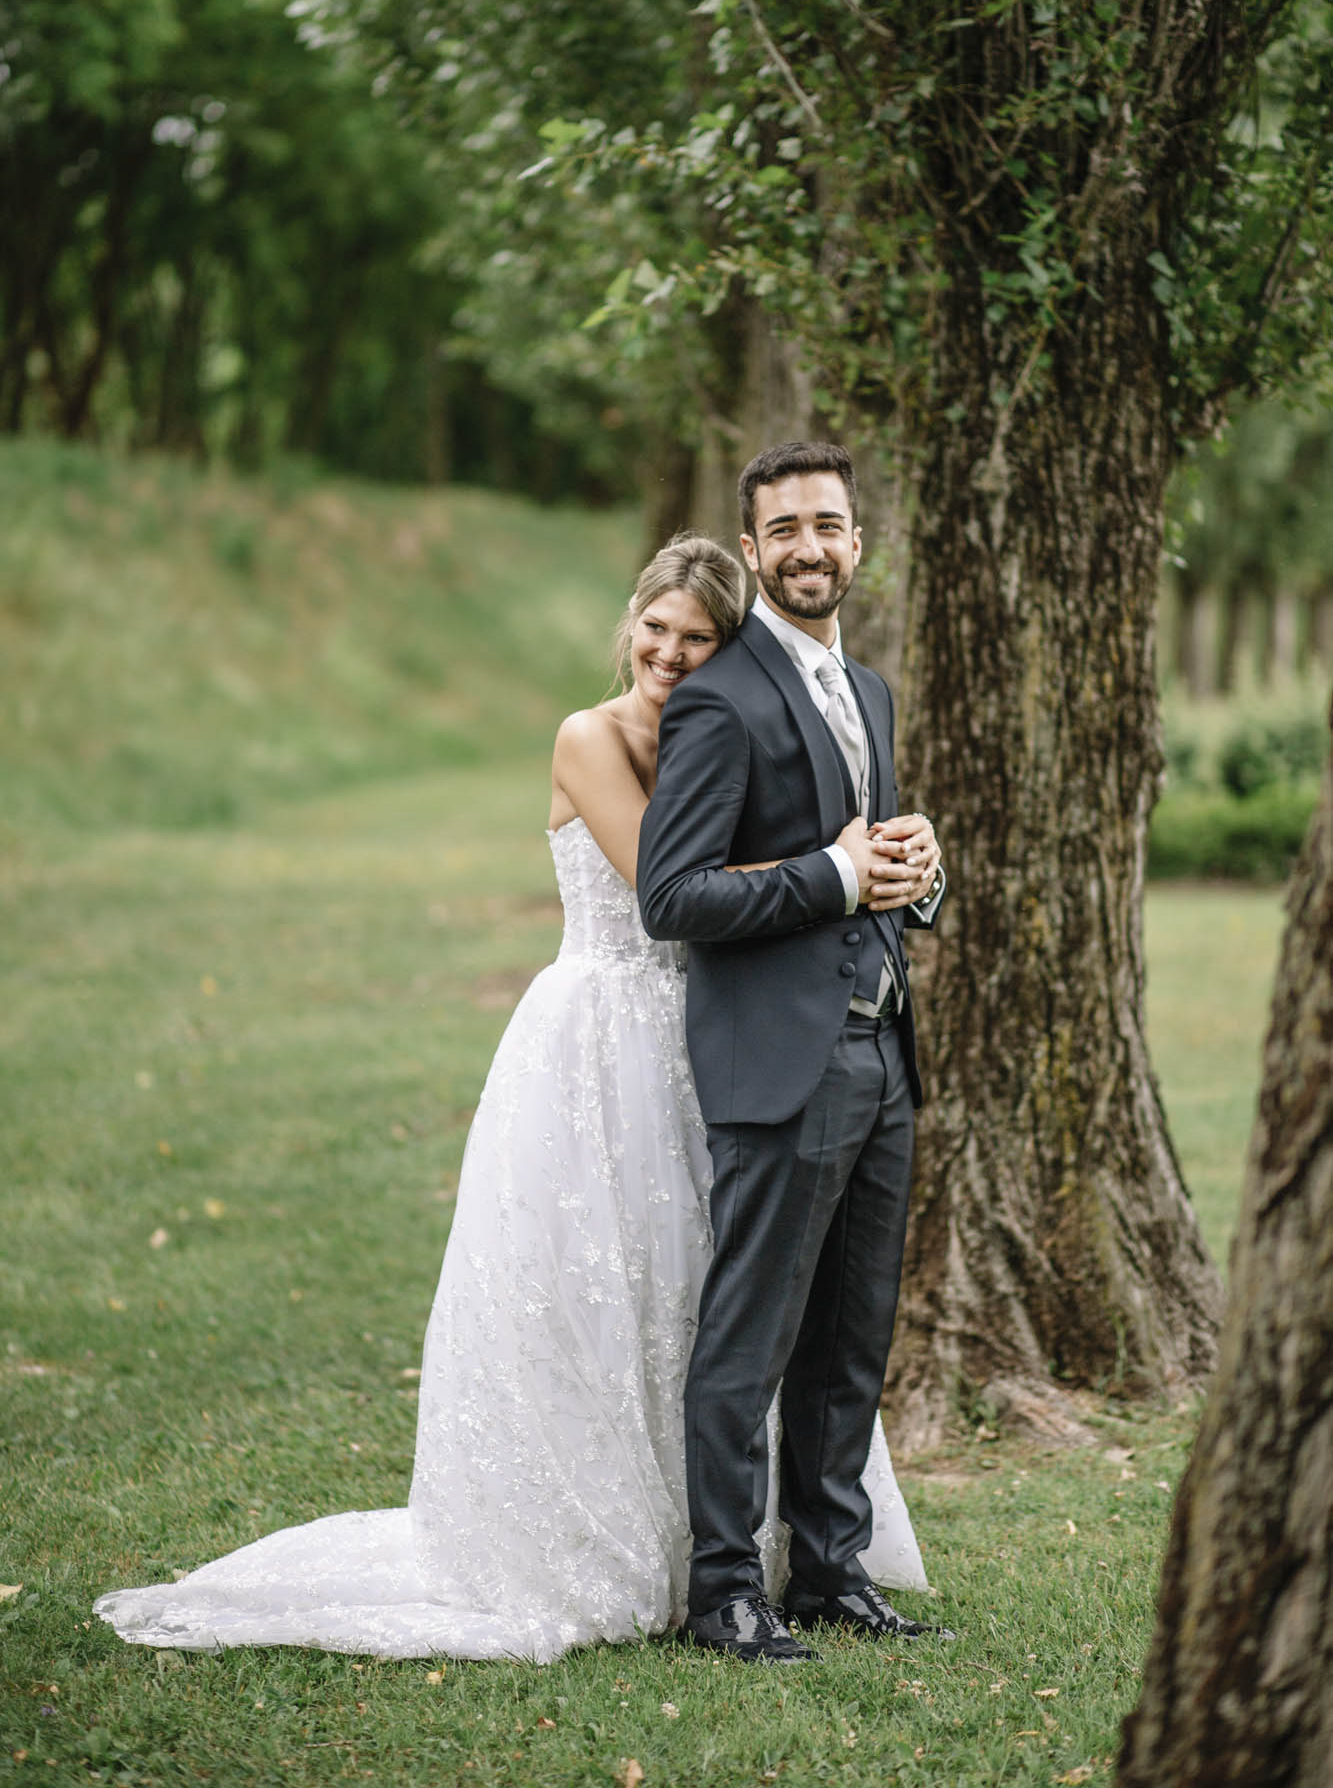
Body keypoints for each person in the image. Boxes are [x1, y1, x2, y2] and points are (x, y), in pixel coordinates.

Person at [94, 533, 926, 1663]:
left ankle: (743, 1546)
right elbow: (663, 893)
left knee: (701, 1293)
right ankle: (603, 1542)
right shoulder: (590, 736)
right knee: (597, 1291)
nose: (671, 655)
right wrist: (827, 862)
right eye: (656, 630)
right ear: (628, 623)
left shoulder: (722, 731)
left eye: (699, 640)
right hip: (598, 1040)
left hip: (713, 1042)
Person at [638, 446, 950, 1665]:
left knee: (849, 1336)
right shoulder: (720, 695)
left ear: (857, 543)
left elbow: (866, 860)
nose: (811, 545)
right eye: (786, 528)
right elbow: (674, 893)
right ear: (753, 545)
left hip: (880, 1049)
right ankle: (724, 1590)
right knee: (750, 1337)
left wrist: (914, 873)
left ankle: (826, 1570)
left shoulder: (865, 689)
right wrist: (830, 873)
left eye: (830, 523)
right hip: (778, 1061)